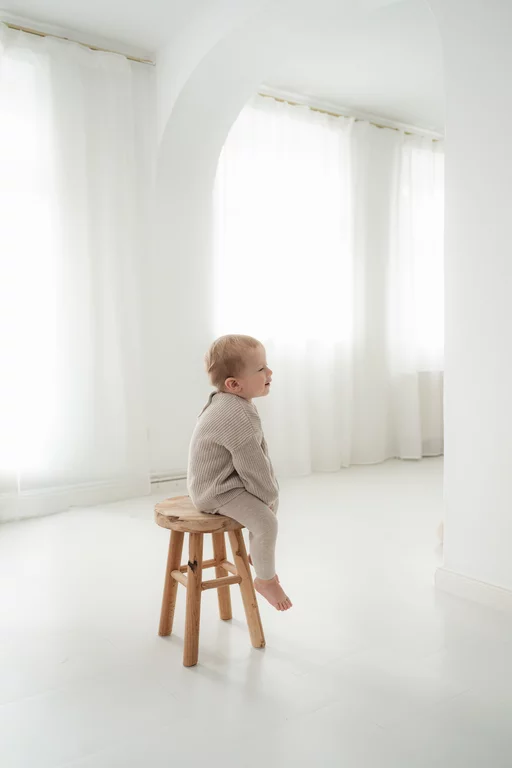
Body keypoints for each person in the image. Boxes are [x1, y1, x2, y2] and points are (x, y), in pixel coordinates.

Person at [188, 334, 292, 611]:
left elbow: (256, 455)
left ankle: (259, 552)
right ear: (234, 384)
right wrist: (267, 495)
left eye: (266, 366)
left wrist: (269, 493)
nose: (269, 372)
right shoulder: (235, 414)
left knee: (269, 501)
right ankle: (265, 579)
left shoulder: (229, 402)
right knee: (267, 522)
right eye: (261, 369)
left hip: (226, 479)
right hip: (216, 490)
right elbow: (252, 463)